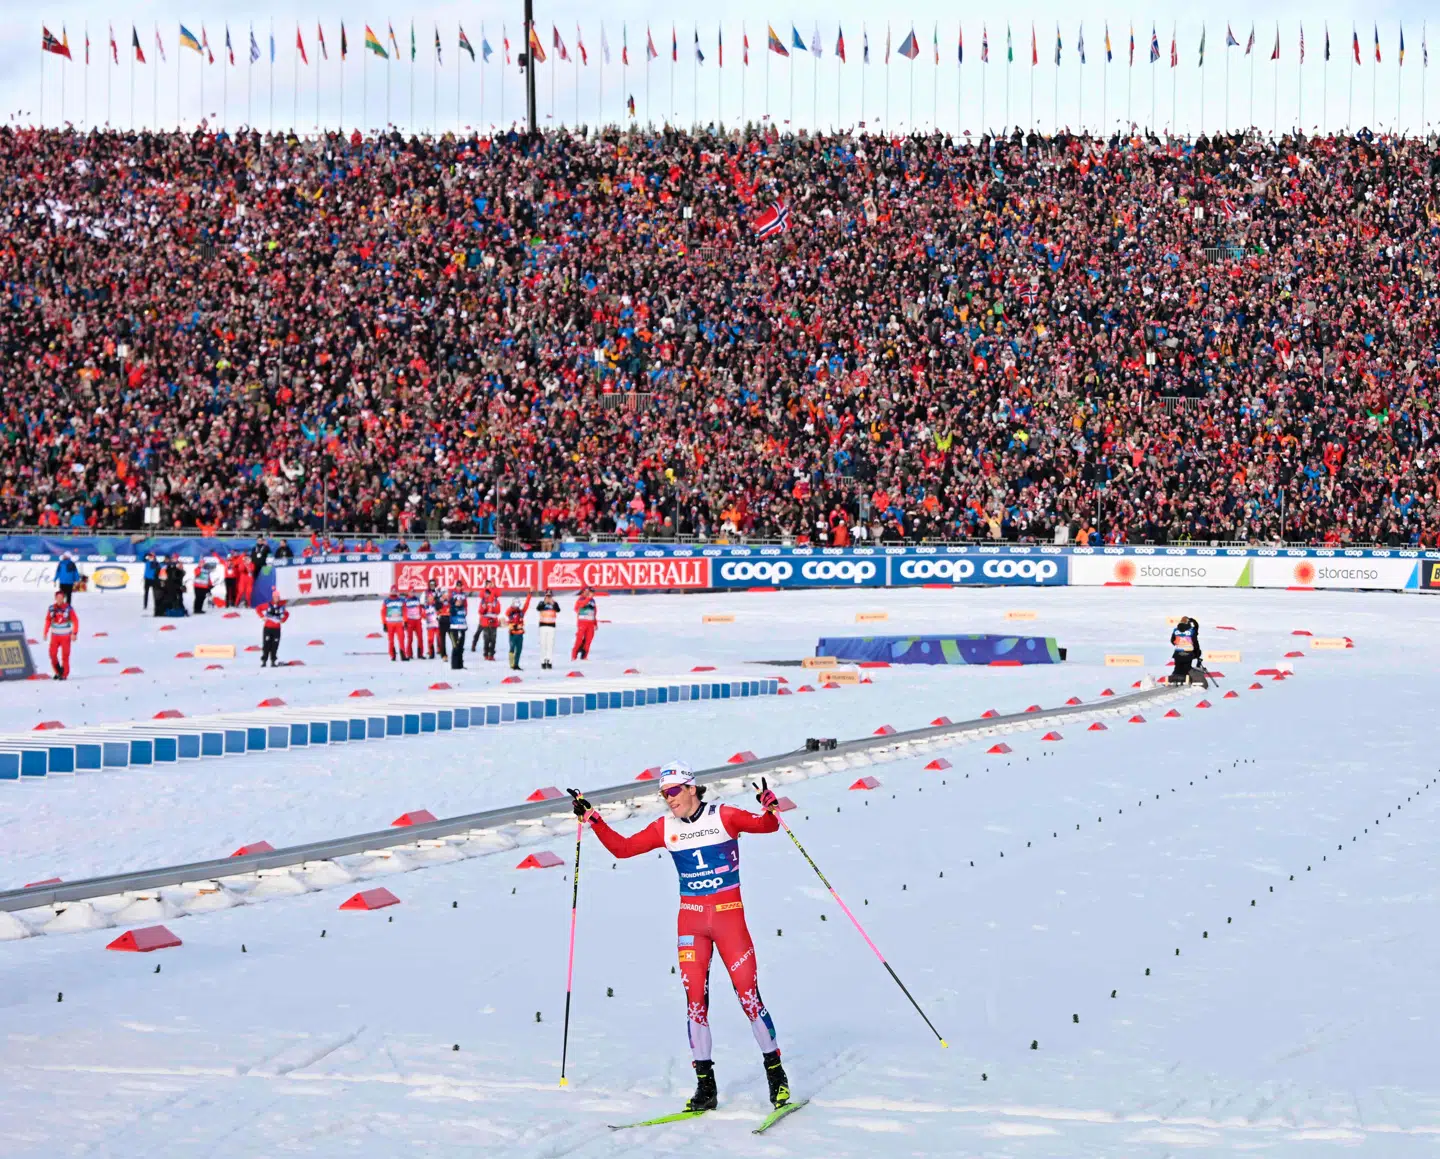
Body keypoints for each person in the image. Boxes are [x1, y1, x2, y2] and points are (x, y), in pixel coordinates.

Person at [568, 764, 791, 1112]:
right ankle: (706, 1087)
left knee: (748, 997)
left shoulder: (725, 815)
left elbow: (768, 825)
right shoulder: (665, 827)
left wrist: (769, 804)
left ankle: (776, 1077)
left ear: (691, 788)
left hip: (729, 919)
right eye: (663, 794)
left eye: (673, 791)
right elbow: (623, 849)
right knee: (695, 1005)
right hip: (691, 922)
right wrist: (593, 818)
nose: (668, 800)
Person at [42, 591, 79, 680]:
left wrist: (74, 633)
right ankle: (58, 671)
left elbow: (75, 620)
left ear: (63, 598)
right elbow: (48, 620)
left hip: (65, 636)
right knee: (52, 654)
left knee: (65, 655)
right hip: (55, 636)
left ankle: (64, 674)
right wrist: (45, 632)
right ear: (55, 598)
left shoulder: (68, 608)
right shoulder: (52, 608)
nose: (59, 599)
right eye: (58, 598)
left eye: (61, 598)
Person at [1168, 616, 1205, 686]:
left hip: (1178, 653)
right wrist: (1197, 652)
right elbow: (1195, 643)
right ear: (1189, 623)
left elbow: (1172, 641)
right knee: (1186, 668)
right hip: (1188, 653)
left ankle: (1176, 679)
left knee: (1177, 668)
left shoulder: (1175, 630)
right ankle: (1185, 680)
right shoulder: (1191, 631)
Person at [257, 595, 290, 668]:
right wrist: (262, 616)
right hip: (267, 628)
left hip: (277, 629)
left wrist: (283, 620)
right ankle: (264, 661)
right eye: (275, 597)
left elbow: (287, 614)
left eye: (278, 598)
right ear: (273, 598)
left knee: (275, 645)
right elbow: (258, 608)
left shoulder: (281, 607)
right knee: (266, 645)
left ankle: (273, 661)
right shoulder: (268, 605)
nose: (277, 599)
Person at [506, 592, 532, 670]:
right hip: (513, 634)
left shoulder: (521, 612)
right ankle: (512, 664)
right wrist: (512, 607)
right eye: (515, 603)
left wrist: (529, 595)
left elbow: (526, 605)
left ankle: (516, 664)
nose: (517, 605)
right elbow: (506, 613)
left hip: (520, 634)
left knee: (519, 650)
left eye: (518, 603)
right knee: (512, 648)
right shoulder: (510, 612)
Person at [473, 585, 501, 660]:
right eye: (486, 593)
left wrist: (492, 610)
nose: (486, 595)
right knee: (486, 639)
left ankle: (491, 654)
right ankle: (486, 654)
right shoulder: (483, 601)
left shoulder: (496, 601)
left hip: (494, 622)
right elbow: (480, 611)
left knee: (493, 639)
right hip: (485, 623)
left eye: (488, 593)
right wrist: (484, 609)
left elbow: (498, 611)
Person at [535, 588, 561, 670]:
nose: (548, 597)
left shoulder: (554, 603)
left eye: (550, 596)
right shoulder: (541, 603)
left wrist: (553, 603)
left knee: (550, 644)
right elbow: (538, 608)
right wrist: (544, 603)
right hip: (543, 625)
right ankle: (543, 661)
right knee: (543, 644)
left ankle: (549, 661)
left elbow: (558, 610)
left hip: (551, 626)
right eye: (547, 595)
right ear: (545, 595)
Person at [572, 585, 599, 660]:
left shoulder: (592, 601)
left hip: (590, 623)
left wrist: (595, 623)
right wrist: (588, 598)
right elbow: (578, 608)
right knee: (579, 639)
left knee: (588, 640)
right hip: (582, 623)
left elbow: (594, 613)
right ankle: (574, 656)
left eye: (592, 592)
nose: (590, 594)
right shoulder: (581, 599)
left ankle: (584, 656)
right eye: (588, 592)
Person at [381, 586, 408, 661]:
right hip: (390, 624)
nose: (393, 592)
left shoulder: (401, 600)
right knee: (391, 640)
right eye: (392, 590)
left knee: (401, 639)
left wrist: (405, 621)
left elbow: (405, 611)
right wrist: (384, 624)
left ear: (397, 591)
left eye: (395, 590)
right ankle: (392, 655)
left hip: (399, 623)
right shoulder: (386, 601)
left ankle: (403, 655)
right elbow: (383, 613)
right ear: (390, 591)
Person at [447, 588, 469, 670]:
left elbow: (463, 618)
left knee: (461, 648)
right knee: (455, 647)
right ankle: (454, 665)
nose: (459, 602)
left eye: (460, 601)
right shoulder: (452, 608)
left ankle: (460, 665)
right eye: (458, 601)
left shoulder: (463, 608)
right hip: (454, 630)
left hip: (462, 630)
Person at [402, 588, 424, 661]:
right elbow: (404, 611)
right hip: (410, 620)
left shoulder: (417, 599)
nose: (412, 593)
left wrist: (422, 616)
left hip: (417, 620)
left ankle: (420, 654)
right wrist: (405, 621)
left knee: (420, 637)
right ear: (408, 592)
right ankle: (409, 654)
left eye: (413, 591)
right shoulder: (405, 600)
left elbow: (420, 609)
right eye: (411, 592)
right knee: (410, 638)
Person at [432, 580, 452, 660]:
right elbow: (437, 607)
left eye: (447, 593)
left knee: (453, 638)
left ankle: (456, 653)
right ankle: (443, 655)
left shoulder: (450, 601)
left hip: (450, 621)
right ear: (442, 594)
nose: (446, 595)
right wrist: (439, 600)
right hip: (442, 620)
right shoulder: (439, 601)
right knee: (442, 639)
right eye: (445, 593)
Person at [422, 595, 441, 660]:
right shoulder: (425, 606)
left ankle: (440, 650)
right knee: (430, 639)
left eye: (431, 598)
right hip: (430, 625)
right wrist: (426, 618)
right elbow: (423, 615)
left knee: (439, 638)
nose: (430, 600)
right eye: (429, 598)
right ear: (427, 599)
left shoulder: (436, 605)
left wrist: (438, 615)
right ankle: (431, 653)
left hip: (437, 624)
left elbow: (440, 612)